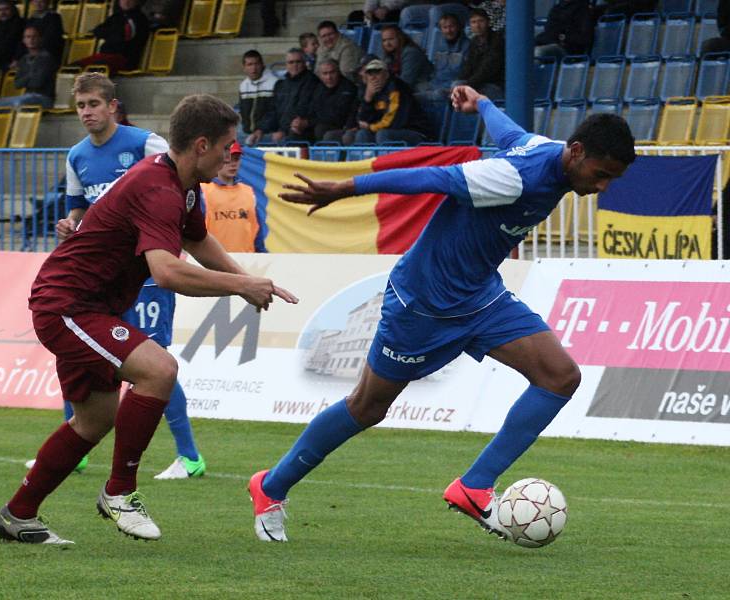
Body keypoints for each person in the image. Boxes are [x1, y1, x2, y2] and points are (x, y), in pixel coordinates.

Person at [247, 84, 636, 543]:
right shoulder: (513, 178)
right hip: (423, 304)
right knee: (367, 407)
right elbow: (430, 179)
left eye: (613, 178)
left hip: (481, 297)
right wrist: (345, 188)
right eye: (601, 173)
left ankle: (473, 487)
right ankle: (270, 488)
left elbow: (510, 132)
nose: (603, 186)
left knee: (560, 376)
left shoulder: (543, 150)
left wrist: (483, 105)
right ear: (576, 152)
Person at [0, 92, 298, 545]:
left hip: (90, 305)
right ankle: (120, 491)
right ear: (201, 144)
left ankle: (17, 515)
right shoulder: (157, 189)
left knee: (94, 420)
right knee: (159, 369)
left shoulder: (185, 186)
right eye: (227, 146)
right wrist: (239, 287)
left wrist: (247, 279)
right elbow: (167, 270)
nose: (232, 154)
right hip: (69, 305)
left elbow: (197, 241)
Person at [49, 73, 208, 481]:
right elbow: (79, 212)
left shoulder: (144, 144)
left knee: (155, 361)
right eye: (81, 105)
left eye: (94, 104)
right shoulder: (77, 156)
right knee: (78, 354)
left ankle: (189, 456)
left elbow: (183, 189)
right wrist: (69, 225)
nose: (86, 112)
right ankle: (78, 448)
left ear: (113, 106)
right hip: (105, 280)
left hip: (149, 273)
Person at [201, 141, 266, 253]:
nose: (233, 164)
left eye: (236, 159)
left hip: (246, 262)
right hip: (213, 263)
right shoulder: (203, 190)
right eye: (229, 159)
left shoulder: (248, 192)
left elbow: (257, 234)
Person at [349, 57, 429, 146]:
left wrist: (371, 127)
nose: (374, 77)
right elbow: (363, 120)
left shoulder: (397, 88)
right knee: (362, 134)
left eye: (377, 73)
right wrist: (368, 99)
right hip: (386, 130)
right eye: (370, 74)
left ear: (386, 75)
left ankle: (387, 160)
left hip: (414, 132)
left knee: (383, 134)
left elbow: (393, 122)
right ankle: (368, 160)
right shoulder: (370, 91)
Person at [259, 48, 319, 143]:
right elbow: (273, 111)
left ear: (304, 63)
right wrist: (261, 129)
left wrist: (284, 131)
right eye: (291, 62)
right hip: (280, 131)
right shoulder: (280, 85)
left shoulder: (312, 82)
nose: (295, 65)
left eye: (298, 62)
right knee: (254, 140)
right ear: (286, 65)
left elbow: (302, 110)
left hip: (301, 132)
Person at [0, 25, 56, 109]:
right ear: (24, 40)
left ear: (40, 38)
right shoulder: (23, 59)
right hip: (27, 96)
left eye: (34, 37)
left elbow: (37, 83)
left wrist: (26, 78)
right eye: (28, 37)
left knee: (20, 102)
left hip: (44, 98)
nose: (31, 40)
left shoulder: (46, 58)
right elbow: (17, 84)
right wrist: (30, 75)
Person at [76, 0, 149, 74]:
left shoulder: (140, 19)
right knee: (75, 67)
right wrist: (112, 33)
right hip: (106, 55)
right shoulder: (116, 16)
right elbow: (97, 31)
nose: (126, 2)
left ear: (136, 2)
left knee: (95, 67)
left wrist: (110, 33)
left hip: (124, 57)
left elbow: (125, 36)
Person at [458, 8, 505, 100]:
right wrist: (460, 81)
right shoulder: (474, 42)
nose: (477, 25)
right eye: (474, 22)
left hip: (494, 85)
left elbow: (487, 70)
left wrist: (468, 85)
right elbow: (468, 66)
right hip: (477, 83)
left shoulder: (497, 41)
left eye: (481, 21)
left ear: (488, 22)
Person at [308, 58, 359, 142]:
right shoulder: (317, 89)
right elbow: (313, 111)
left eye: (332, 72)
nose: (329, 77)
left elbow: (348, 113)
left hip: (346, 127)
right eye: (325, 73)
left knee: (327, 134)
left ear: (338, 71)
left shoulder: (349, 88)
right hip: (325, 125)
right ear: (320, 75)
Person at [238, 50, 279, 146]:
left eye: (256, 64)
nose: (254, 68)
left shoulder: (274, 83)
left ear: (262, 65)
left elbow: (275, 112)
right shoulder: (243, 86)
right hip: (247, 133)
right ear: (244, 68)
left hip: (268, 133)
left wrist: (261, 129)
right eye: (249, 64)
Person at [380, 25, 433, 91]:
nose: (387, 43)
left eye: (391, 39)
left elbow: (405, 82)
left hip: (421, 90)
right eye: (384, 40)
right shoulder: (390, 56)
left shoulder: (411, 53)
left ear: (400, 38)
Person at [25, 0, 65, 66]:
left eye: (41, 1)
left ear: (47, 2)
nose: (38, 4)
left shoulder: (54, 17)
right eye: (36, 1)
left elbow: (50, 38)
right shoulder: (31, 19)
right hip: (32, 50)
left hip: (48, 51)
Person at [0, 0, 25, 72]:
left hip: (11, 61)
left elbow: (20, 43)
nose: (2, 13)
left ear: (13, 10)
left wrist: (16, 59)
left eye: (6, 9)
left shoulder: (20, 24)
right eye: (0, 10)